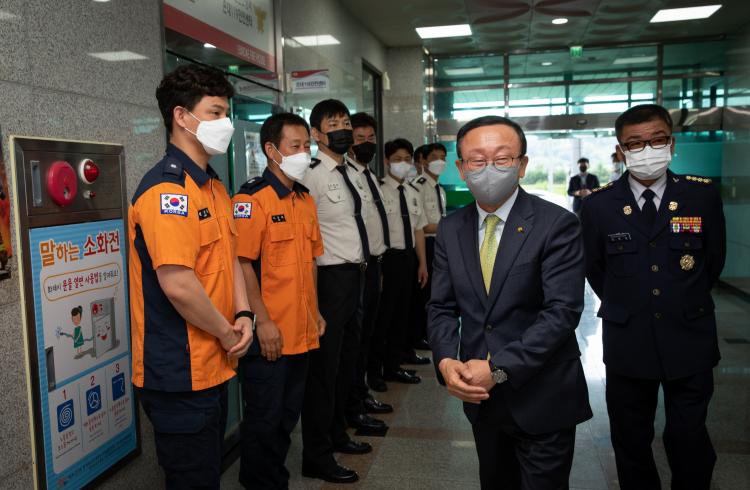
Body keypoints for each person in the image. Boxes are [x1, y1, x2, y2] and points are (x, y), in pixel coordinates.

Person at [428, 115, 592, 490]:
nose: (489, 168)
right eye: (477, 160)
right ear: (461, 168)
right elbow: (440, 306)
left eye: (502, 158)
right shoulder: (451, 228)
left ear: (522, 165)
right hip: (481, 397)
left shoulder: (556, 224)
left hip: (543, 395)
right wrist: (446, 360)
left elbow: (562, 312)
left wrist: (499, 368)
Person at [581, 104, 726, 490]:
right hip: (628, 338)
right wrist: (630, 302)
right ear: (620, 150)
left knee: (689, 435)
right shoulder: (598, 205)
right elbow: (595, 269)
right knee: (630, 438)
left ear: (671, 143)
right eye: (635, 143)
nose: (647, 150)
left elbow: (713, 261)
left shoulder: (701, 195)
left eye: (657, 140)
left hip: (690, 335)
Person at [129, 64, 253, 489]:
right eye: (215, 113)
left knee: (207, 474)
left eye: (226, 114)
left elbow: (230, 258)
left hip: (215, 362)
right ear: (181, 117)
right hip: (179, 373)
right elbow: (178, 285)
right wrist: (226, 332)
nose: (225, 124)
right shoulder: (167, 191)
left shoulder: (213, 187)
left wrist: (244, 314)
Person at [233, 113, 325, 489]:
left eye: (307, 146)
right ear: (272, 151)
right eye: (295, 146)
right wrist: (263, 321)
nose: (305, 153)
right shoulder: (251, 199)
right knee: (264, 421)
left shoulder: (304, 199)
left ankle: (273, 480)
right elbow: (242, 264)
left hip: (301, 333)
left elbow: (311, 261)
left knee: (286, 419)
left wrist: (315, 311)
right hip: (269, 334)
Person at [300, 99, 371, 484]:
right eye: (334, 124)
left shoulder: (350, 171)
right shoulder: (310, 175)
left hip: (354, 276)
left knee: (346, 364)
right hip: (329, 280)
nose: (342, 129)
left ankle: (338, 433)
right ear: (316, 133)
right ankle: (317, 454)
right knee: (324, 373)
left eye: (345, 122)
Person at [343, 112, 393, 433]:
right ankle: (353, 406)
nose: (366, 143)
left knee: (369, 336)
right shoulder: (344, 174)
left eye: (370, 138)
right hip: (353, 269)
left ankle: (361, 396)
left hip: (374, 265)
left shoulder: (369, 174)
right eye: (359, 138)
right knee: (354, 343)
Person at [369, 138, 428, 389]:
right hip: (387, 259)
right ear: (386, 161)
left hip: (408, 259)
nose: (402, 164)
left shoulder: (413, 192)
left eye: (406, 159)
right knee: (383, 319)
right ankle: (375, 372)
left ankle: (394, 367)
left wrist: (422, 263)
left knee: (403, 315)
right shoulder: (379, 190)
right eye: (396, 160)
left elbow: (418, 230)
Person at [410, 143, 448, 356]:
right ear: (423, 161)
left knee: (434, 294)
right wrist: (450, 226)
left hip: (438, 244)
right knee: (422, 295)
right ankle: (417, 336)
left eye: (443, 157)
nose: (440, 162)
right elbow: (422, 225)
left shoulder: (439, 188)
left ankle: (426, 333)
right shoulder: (418, 186)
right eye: (434, 157)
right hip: (424, 245)